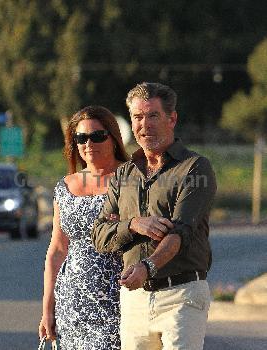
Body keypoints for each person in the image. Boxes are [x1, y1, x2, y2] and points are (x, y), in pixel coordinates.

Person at [91, 82, 217, 350]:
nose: (144, 124)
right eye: (137, 117)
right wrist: (134, 224)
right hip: (134, 299)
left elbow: (180, 232)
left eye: (153, 116)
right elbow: (100, 235)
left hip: (182, 295)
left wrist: (148, 266)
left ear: (172, 119)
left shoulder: (194, 168)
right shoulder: (124, 174)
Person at [39, 106, 129, 349]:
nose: (89, 143)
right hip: (72, 304)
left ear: (112, 138)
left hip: (119, 300)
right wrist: (48, 309)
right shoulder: (65, 187)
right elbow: (57, 250)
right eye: (81, 138)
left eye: (97, 136)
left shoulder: (133, 178)